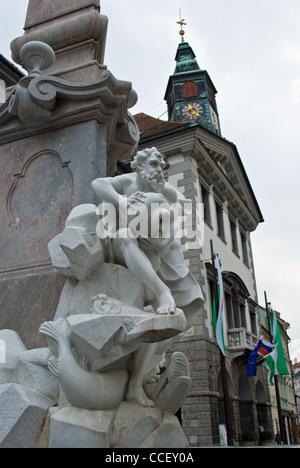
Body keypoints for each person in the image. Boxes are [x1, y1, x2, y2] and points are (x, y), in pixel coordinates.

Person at [91, 147, 203, 406]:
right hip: (121, 249)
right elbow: (98, 182)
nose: (159, 170)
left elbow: (183, 203)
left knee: (157, 321)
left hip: (153, 251)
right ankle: (162, 291)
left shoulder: (162, 190)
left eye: (161, 166)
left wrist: (172, 211)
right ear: (139, 166)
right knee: (124, 234)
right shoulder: (127, 182)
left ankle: (138, 381)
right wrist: (120, 201)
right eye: (154, 164)